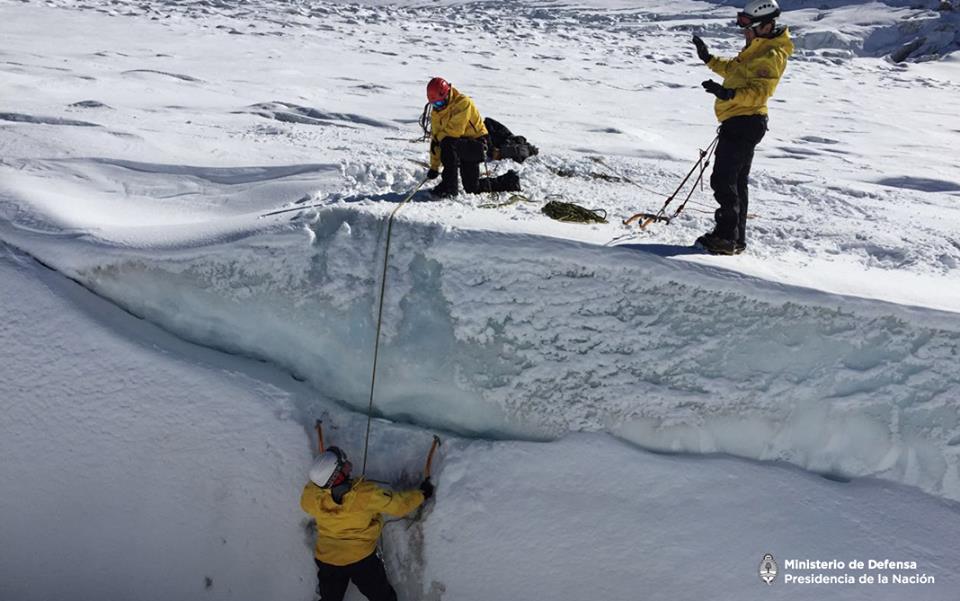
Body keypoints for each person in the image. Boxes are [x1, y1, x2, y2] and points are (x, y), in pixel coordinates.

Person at [691, 0, 794, 255]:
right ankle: (735, 239)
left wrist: (728, 94)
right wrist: (709, 59)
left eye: (749, 28)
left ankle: (725, 238)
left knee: (724, 180)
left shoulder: (770, 55)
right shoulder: (757, 48)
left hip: (745, 121)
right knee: (736, 182)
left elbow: (760, 93)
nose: (745, 33)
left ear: (765, 26)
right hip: (741, 120)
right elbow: (734, 70)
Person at [300, 446, 434, 601]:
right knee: (382, 597)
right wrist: (422, 493)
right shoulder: (365, 495)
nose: (349, 463)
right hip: (362, 561)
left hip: (328, 560)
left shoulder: (311, 497)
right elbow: (399, 506)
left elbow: (312, 490)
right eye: (344, 463)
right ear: (338, 475)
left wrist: (320, 476)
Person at [424, 77, 522, 198]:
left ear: (447, 94)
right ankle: (448, 185)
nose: (438, 107)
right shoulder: (436, 112)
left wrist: (438, 140)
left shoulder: (463, 103)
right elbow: (436, 141)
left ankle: (449, 187)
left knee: (448, 143)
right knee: (472, 187)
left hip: (477, 143)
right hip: (458, 144)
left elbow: (453, 132)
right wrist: (434, 167)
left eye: (440, 103)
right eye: (434, 104)